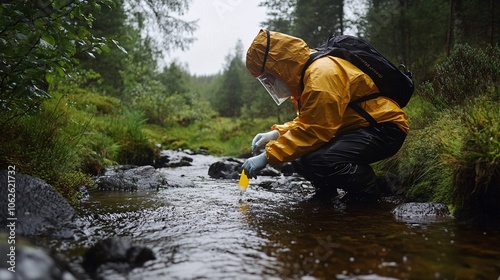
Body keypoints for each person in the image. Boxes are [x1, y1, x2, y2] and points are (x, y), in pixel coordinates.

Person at [241, 29, 409, 201]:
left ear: (279, 68)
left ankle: (367, 193)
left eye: (268, 78)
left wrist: (268, 156)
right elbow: (311, 121)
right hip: (361, 127)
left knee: (318, 159)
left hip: (384, 128)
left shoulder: (320, 76)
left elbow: (315, 130)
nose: (270, 84)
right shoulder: (308, 75)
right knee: (301, 156)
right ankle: (326, 195)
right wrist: (276, 134)